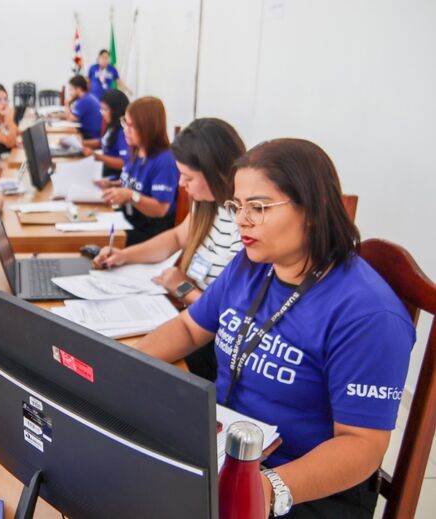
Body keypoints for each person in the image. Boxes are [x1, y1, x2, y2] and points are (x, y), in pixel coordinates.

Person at [136, 138, 415, 518]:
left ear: (313, 209)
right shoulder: (251, 264)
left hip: (299, 486)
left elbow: (362, 446)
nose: (241, 220)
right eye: (237, 206)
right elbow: (188, 328)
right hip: (224, 450)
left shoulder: (369, 316)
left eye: (259, 207)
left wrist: (264, 488)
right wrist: (122, 363)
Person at [94, 118, 245, 381]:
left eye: (188, 177)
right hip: (184, 313)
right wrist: (124, 256)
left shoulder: (243, 224)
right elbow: (176, 238)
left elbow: (230, 315)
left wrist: (185, 289)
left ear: (215, 172)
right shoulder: (207, 203)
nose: (181, 184)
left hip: (210, 339)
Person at [98, 96, 179, 246]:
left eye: (132, 126)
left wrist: (129, 195)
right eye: (125, 122)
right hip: (128, 220)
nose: (125, 130)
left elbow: (161, 209)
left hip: (150, 232)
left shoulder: (164, 161)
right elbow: (134, 183)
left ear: (148, 128)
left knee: (98, 240)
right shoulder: (136, 150)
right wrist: (112, 184)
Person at [81, 89, 130, 178]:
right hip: (105, 172)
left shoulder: (123, 132)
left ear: (116, 111)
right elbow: (102, 142)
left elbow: (124, 163)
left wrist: (97, 156)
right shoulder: (113, 126)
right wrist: (80, 143)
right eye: (101, 109)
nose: (102, 113)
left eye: (105, 109)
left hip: (115, 178)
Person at [63, 75, 102, 140]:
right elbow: (73, 114)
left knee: (63, 138)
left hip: (90, 136)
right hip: (91, 133)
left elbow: (71, 118)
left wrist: (67, 104)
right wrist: (56, 116)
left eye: (71, 89)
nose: (70, 92)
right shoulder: (88, 97)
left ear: (78, 89)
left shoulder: (84, 100)